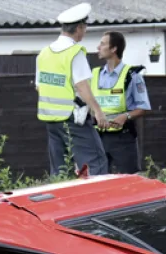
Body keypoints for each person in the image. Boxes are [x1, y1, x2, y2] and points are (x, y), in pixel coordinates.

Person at [36, 3, 109, 177]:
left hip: (51, 120)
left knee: (61, 171)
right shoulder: (74, 53)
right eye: (84, 28)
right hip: (73, 119)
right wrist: (98, 112)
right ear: (79, 28)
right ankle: (99, 202)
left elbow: (39, 86)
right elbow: (82, 86)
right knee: (96, 162)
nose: (84, 32)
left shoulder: (44, 53)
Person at [90, 32, 151, 174]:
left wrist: (125, 117)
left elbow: (143, 107)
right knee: (97, 183)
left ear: (114, 49)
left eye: (103, 44)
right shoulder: (93, 75)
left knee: (129, 181)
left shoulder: (132, 75)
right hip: (98, 137)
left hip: (123, 138)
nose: (98, 47)